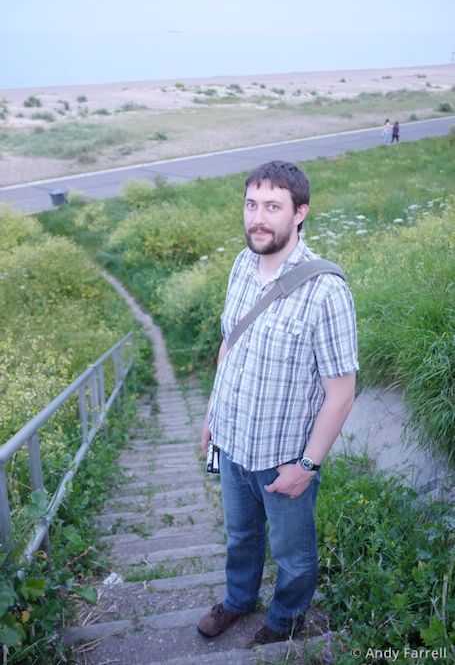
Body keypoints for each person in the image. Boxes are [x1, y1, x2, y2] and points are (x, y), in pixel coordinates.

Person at [197, 160, 359, 645]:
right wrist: (211, 415)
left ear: (300, 212)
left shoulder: (325, 291)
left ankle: (286, 619)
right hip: (232, 442)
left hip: (283, 458)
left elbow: (342, 391)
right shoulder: (241, 266)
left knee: (293, 553)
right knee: (241, 537)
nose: (258, 218)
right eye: (251, 205)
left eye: (272, 206)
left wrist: (307, 465)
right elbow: (230, 344)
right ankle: (238, 600)